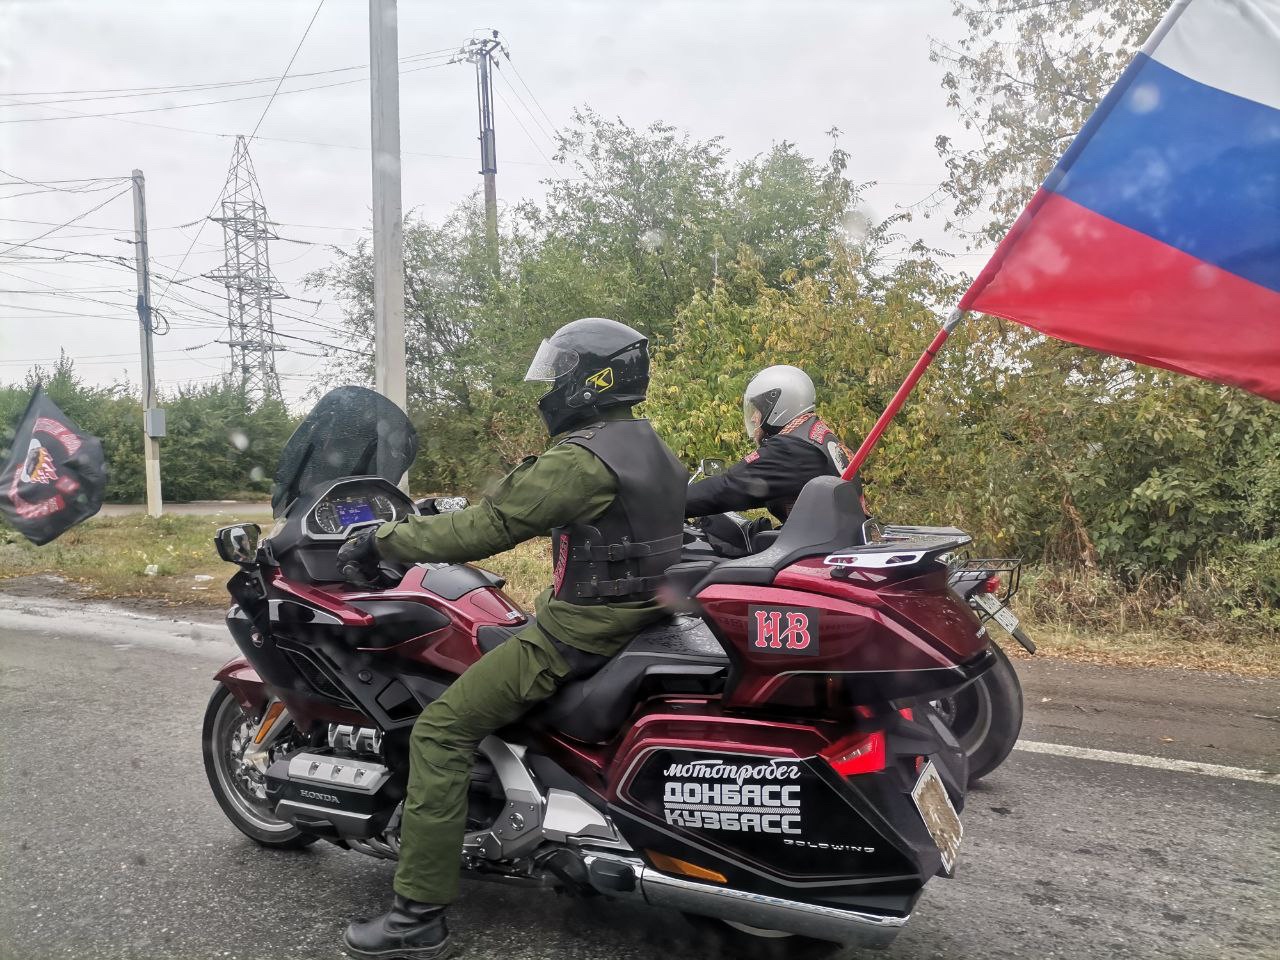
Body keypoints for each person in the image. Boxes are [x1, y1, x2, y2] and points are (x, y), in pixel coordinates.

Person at [336, 317, 688, 960]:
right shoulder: (648, 445)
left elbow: (489, 527)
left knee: (441, 731)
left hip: (578, 633)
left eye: (561, 372)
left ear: (590, 379)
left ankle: (417, 918)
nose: (551, 385)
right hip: (638, 619)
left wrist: (383, 539)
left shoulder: (583, 458)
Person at [685, 364, 860, 524]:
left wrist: (671, 504)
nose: (754, 418)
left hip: (819, 550)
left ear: (777, 406)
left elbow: (729, 487)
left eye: (758, 410)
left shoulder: (792, 450)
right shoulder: (818, 436)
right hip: (833, 540)